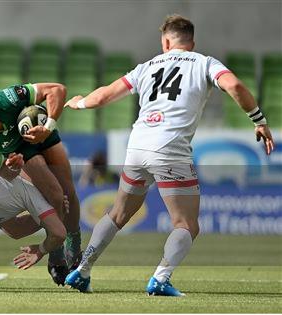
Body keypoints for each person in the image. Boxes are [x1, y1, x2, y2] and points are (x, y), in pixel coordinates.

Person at [64, 14, 275, 295]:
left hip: (137, 146)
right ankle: (160, 279)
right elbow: (234, 86)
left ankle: (82, 270)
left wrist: (79, 103)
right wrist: (258, 119)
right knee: (186, 224)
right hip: (170, 150)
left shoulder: (147, 66)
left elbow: (103, 97)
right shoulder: (205, 63)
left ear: (166, 41)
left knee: (117, 214)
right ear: (192, 42)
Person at [0, 83, 82, 285]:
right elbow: (6, 173)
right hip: (22, 152)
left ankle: (73, 240)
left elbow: (58, 89)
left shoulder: (4, 100)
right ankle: (56, 253)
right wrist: (13, 167)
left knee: (68, 193)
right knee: (55, 197)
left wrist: (48, 127)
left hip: (42, 132)